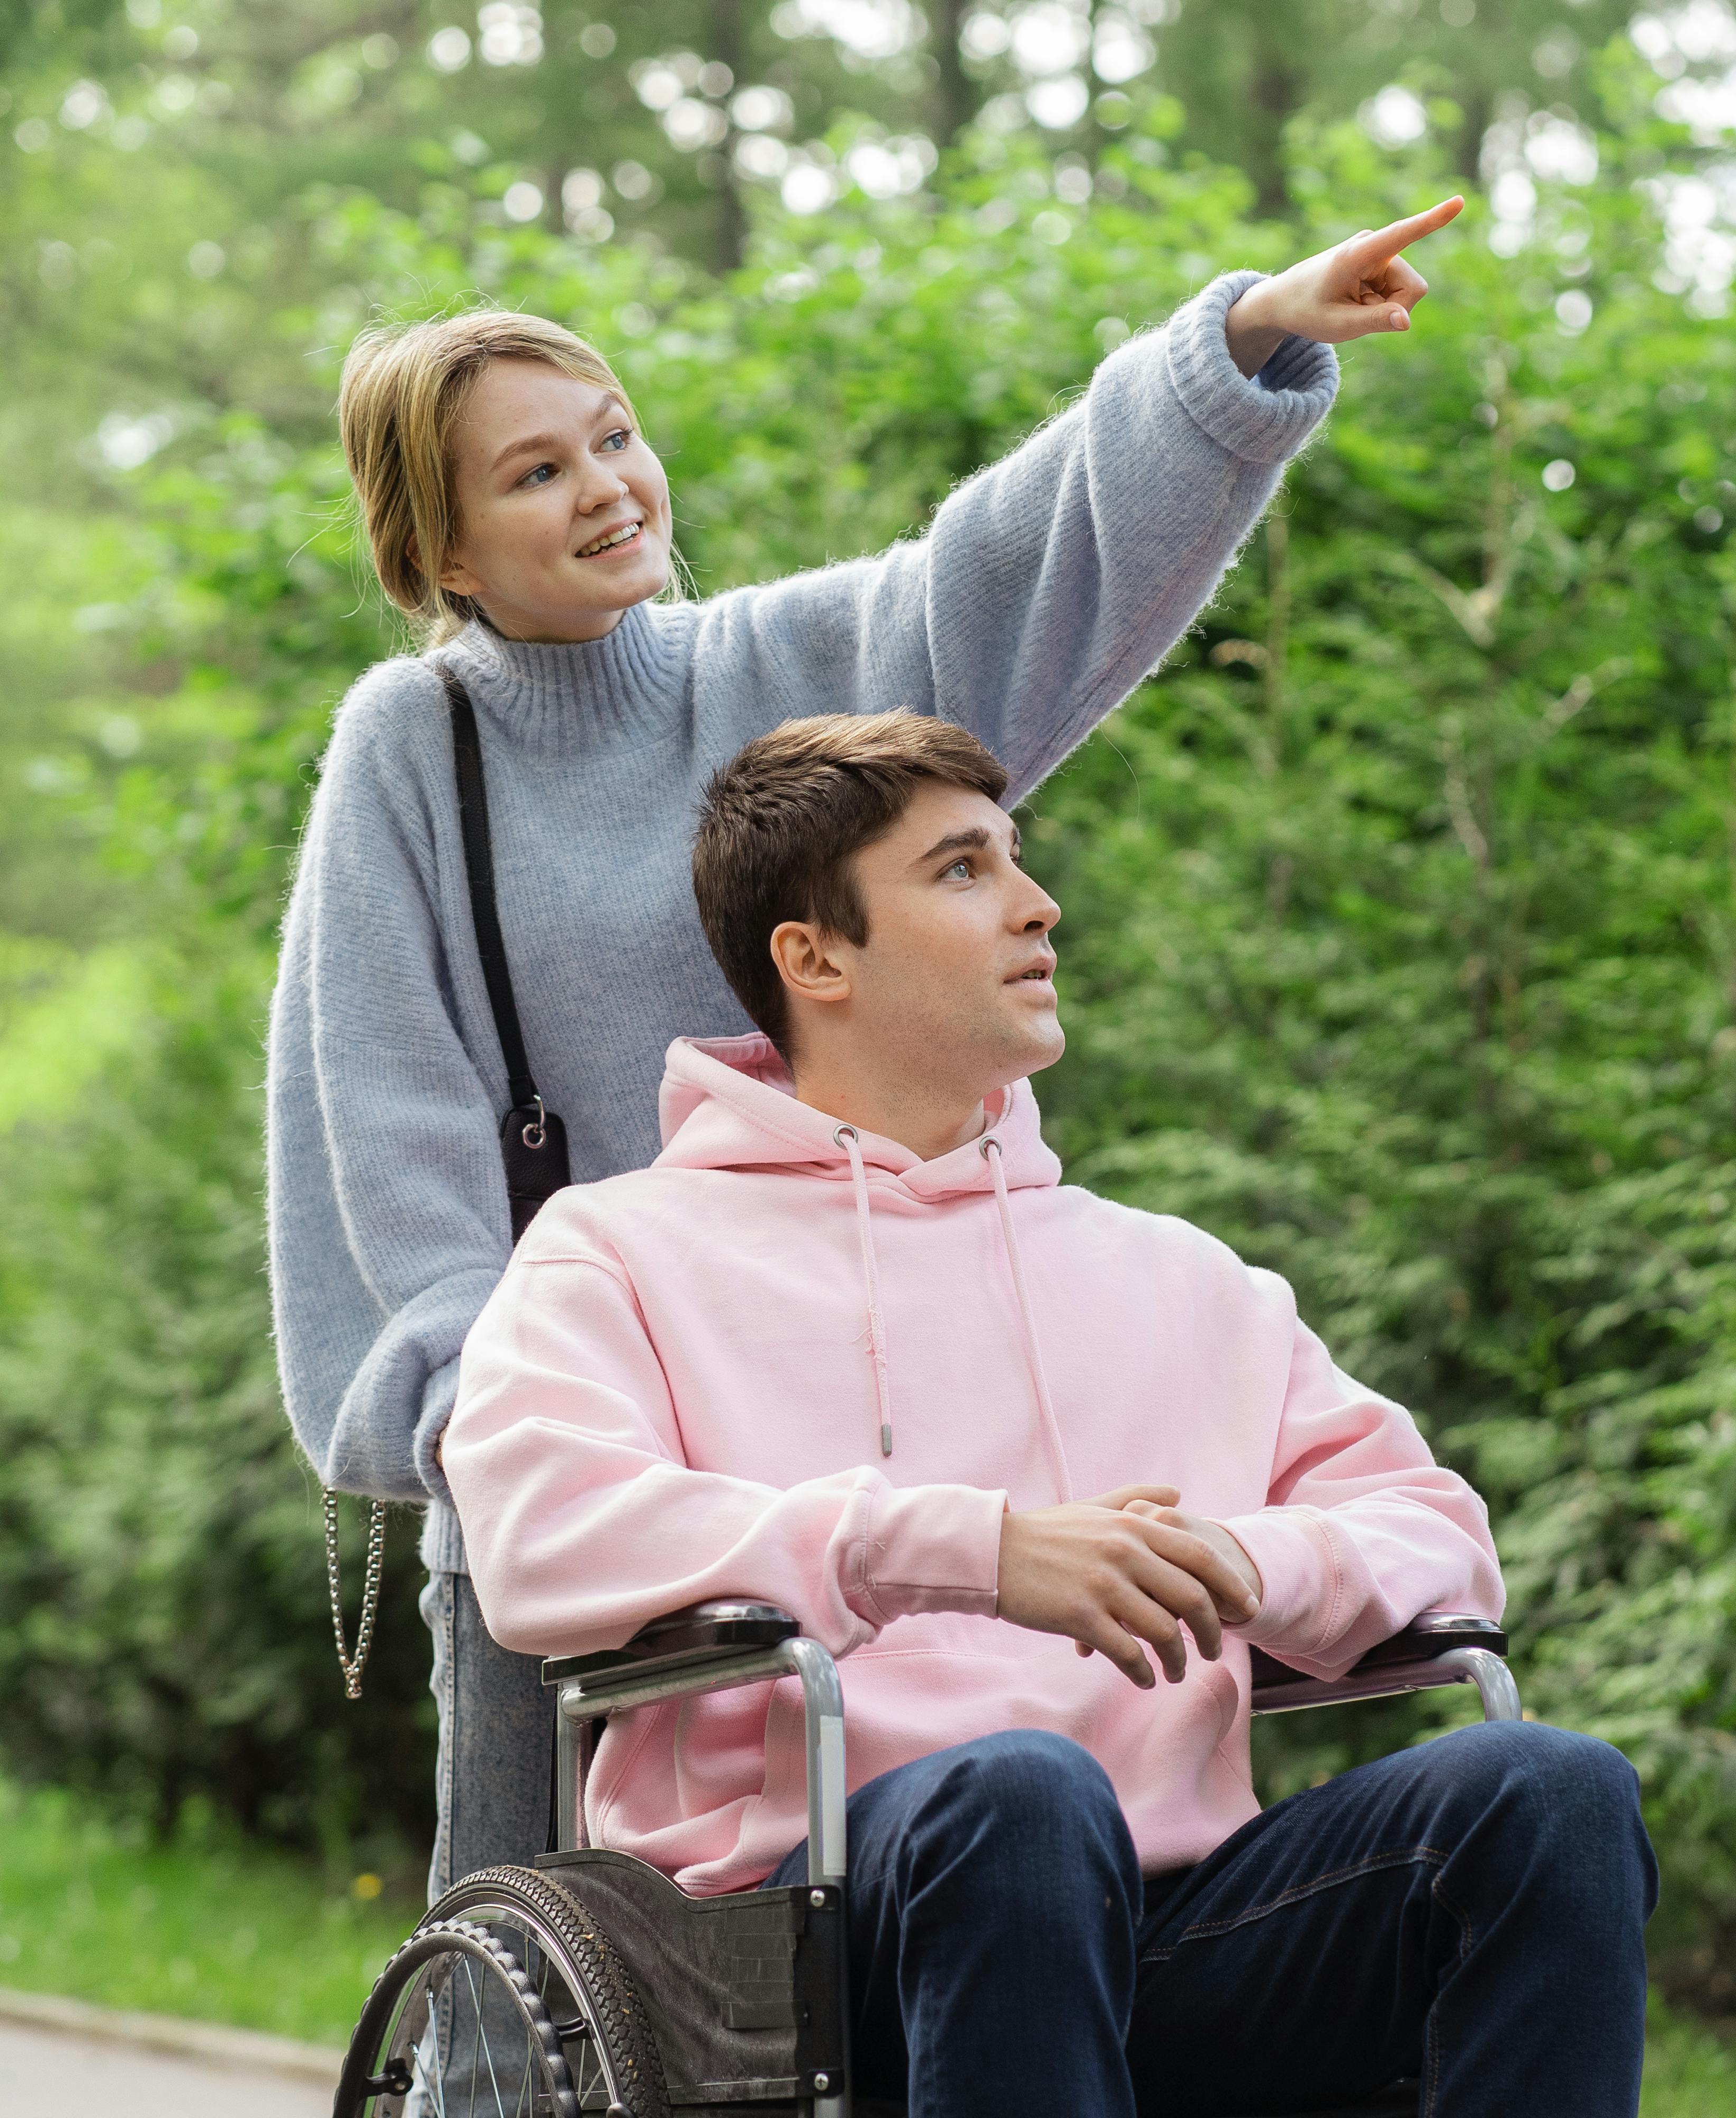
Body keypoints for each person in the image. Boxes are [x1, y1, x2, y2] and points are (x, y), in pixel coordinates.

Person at [268, 199, 1480, 1898]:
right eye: (535, 473)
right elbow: (387, 1107)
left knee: (948, 1893)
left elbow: (1007, 568)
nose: (608, 486)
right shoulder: (418, 749)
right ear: (442, 552)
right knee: (560, 1961)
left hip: (855, 1403)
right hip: (595, 1446)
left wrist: (1241, 347)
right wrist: (509, 1408)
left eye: (614, 437)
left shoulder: (765, 670)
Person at [439, 713, 1659, 2116]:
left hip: (1181, 1926)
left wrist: (1245, 1565)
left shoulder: (1182, 1278)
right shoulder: (620, 1253)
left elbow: (1434, 1530)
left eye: (1016, 861)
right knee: (1020, 1793)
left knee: (1550, 1793)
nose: (1037, 904)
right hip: (810, 1931)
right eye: (963, 871)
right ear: (814, 956)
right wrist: (973, 1549)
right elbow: (543, 1532)